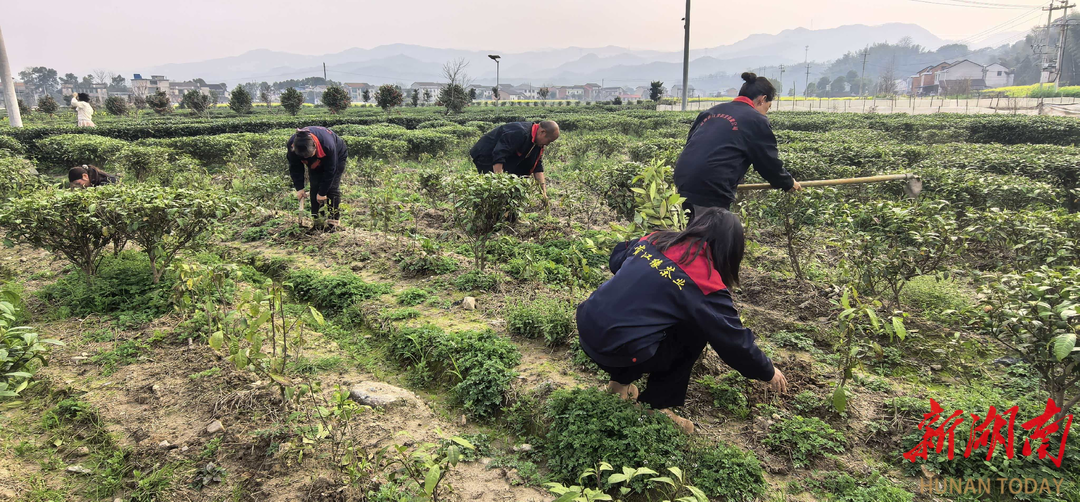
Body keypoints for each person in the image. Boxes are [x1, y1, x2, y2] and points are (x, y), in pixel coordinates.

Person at [575, 207, 788, 434]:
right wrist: (767, 370)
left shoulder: (656, 239)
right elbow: (732, 340)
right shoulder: (704, 279)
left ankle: (618, 387)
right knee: (695, 331)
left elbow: (616, 259)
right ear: (729, 249)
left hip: (587, 327)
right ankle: (656, 406)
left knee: (637, 318)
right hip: (619, 350)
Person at [674, 72, 802, 222]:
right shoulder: (756, 120)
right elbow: (767, 162)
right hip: (711, 184)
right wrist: (788, 182)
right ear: (762, 99)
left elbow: (693, 143)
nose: (766, 112)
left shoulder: (711, 112)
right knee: (709, 233)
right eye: (768, 107)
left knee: (692, 230)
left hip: (684, 179)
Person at [469, 120, 559, 203]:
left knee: (517, 179)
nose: (547, 144)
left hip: (505, 156)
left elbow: (537, 167)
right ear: (542, 132)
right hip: (485, 154)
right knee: (494, 187)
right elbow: (499, 155)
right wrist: (500, 182)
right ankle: (492, 210)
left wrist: (543, 194)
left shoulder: (537, 143)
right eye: (549, 141)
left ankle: (509, 211)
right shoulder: (520, 132)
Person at [287, 126, 348, 233]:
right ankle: (318, 223)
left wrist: (322, 192)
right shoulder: (292, 145)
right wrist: (299, 188)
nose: (306, 159)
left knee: (332, 188)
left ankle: (333, 224)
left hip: (337, 155)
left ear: (314, 146)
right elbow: (295, 167)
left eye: (309, 155)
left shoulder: (327, 145)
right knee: (314, 186)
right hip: (316, 160)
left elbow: (330, 170)